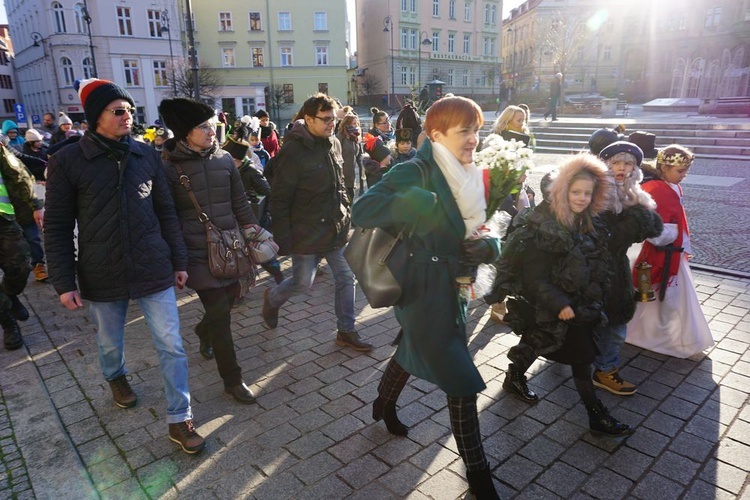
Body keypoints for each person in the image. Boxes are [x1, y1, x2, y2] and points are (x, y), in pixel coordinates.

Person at [44, 78, 205, 454]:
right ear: (95, 117)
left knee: (172, 344)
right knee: (109, 341)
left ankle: (180, 417)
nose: (127, 116)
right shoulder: (67, 160)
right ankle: (115, 376)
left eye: (130, 110)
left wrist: (178, 260)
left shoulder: (145, 154)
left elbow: (166, 210)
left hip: (153, 266)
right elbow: (57, 224)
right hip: (102, 270)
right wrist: (63, 281)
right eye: (118, 111)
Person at [352, 95, 501, 499]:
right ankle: (478, 472)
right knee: (461, 380)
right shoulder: (417, 169)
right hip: (421, 288)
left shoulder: (472, 172)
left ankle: (382, 404)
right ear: (436, 134)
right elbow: (363, 210)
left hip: (457, 288)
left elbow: (483, 228)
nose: (473, 139)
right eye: (463, 131)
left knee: (413, 349)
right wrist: (412, 204)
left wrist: (491, 248)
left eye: (476, 130)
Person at [494, 154, 633, 436]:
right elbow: (535, 276)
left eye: (587, 193)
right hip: (554, 305)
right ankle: (596, 416)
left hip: (579, 303)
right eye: (575, 192)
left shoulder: (588, 221)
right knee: (581, 359)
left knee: (538, 341)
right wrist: (559, 303)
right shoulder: (545, 225)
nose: (581, 198)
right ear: (562, 191)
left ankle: (514, 377)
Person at [158, 98, 264, 404]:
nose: (212, 132)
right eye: (203, 127)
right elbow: (167, 216)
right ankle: (233, 379)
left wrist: (254, 233)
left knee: (233, 299)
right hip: (196, 253)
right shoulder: (167, 167)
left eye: (212, 125)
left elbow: (240, 202)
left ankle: (203, 331)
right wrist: (177, 260)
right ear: (184, 133)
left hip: (230, 247)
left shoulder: (223, 160)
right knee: (221, 314)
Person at [262, 93, 372, 352]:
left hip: (334, 228)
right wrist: (284, 239)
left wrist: (345, 210)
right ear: (308, 119)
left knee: (347, 278)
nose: (331, 124)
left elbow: (340, 184)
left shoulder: (332, 142)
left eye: (333, 119)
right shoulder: (293, 150)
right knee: (302, 283)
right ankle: (273, 298)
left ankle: (346, 331)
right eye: (325, 119)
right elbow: (279, 199)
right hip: (306, 232)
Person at [627, 145, 714, 358]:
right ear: (664, 167)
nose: (684, 176)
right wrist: (670, 235)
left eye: (686, 171)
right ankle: (670, 339)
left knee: (663, 297)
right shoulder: (657, 189)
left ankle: (653, 334)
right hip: (660, 250)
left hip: (672, 250)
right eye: (680, 171)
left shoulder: (669, 185)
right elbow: (654, 228)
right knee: (665, 297)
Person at [593, 141, 663, 395]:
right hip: (589, 266)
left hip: (616, 267)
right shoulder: (593, 191)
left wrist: (639, 214)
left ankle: (605, 369)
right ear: (606, 164)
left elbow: (653, 227)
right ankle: (590, 365)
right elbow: (610, 236)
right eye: (617, 163)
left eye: (628, 164)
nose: (622, 168)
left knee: (616, 320)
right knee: (592, 318)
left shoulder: (635, 194)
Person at [222, 136, 284, 285]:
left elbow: (267, 191)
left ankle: (277, 273)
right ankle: (240, 288)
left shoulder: (250, 171)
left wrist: (252, 197)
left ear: (237, 160)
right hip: (232, 219)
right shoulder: (226, 172)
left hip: (252, 218)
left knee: (261, 253)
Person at [0, 141, 40, 350]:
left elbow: (18, 175)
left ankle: (9, 293)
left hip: (4, 220)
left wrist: (36, 204)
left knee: (21, 267)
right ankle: (9, 325)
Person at [335, 112, 364, 202]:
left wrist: (362, 173)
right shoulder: (340, 137)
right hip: (342, 177)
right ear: (347, 124)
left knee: (351, 201)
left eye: (357, 123)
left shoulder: (356, 137)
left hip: (352, 176)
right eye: (353, 123)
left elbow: (360, 156)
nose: (356, 125)